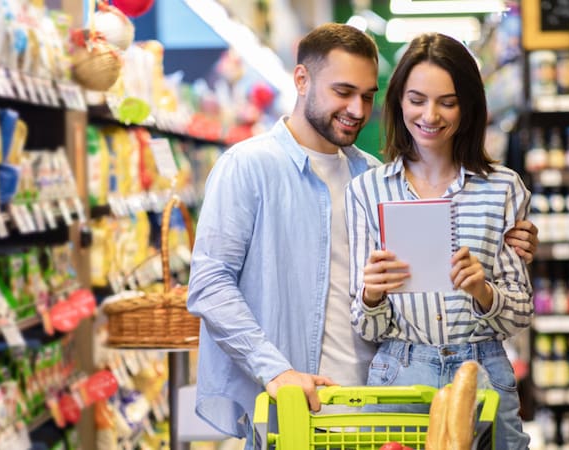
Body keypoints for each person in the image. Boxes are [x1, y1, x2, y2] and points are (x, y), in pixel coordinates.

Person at [187, 23, 538, 447]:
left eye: (368, 95)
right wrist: (275, 370)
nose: (357, 108)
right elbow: (209, 284)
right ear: (302, 80)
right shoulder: (248, 166)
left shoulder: (370, 175)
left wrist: (510, 243)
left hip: (381, 400)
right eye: (342, 91)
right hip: (300, 404)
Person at [345, 32, 533, 450]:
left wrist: (483, 291)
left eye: (447, 101)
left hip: (483, 372)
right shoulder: (367, 192)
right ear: (397, 102)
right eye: (416, 99)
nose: (430, 115)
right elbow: (367, 326)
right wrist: (372, 295)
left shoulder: (503, 189)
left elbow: (520, 315)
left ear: (468, 105)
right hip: (400, 372)